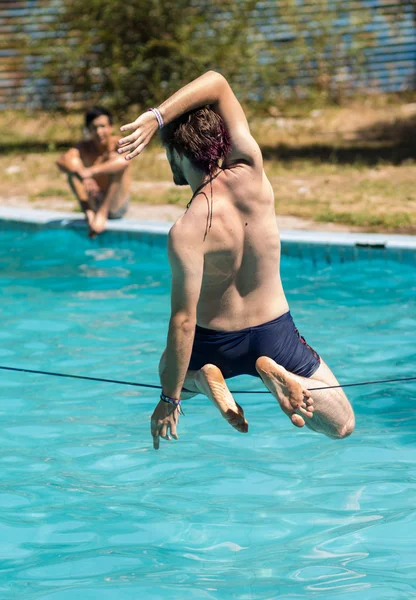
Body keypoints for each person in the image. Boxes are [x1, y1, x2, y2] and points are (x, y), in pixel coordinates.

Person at [117, 71, 355, 450]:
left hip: (214, 342)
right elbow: (217, 81)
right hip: (274, 332)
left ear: (177, 154)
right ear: (223, 141)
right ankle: (270, 372)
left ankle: (203, 381)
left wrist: (169, 399)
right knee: (341, 424)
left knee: (169, 372)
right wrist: (157, 116)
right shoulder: (251, 169)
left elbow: (183, 322)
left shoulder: (185, 230)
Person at [57, 106, 131, 237]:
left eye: (102, 126)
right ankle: (89, 212)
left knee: (115, 161)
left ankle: (102, 212)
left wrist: (90, 172)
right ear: (88, 130)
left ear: (111, 127)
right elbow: (62, 161)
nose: (98, 132)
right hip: (94, 200)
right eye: (94, 128)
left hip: (115, 205)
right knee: (73, 168)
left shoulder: (118, 143)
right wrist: (82, 175)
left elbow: (125, 161)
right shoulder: (84, 147)